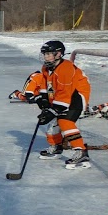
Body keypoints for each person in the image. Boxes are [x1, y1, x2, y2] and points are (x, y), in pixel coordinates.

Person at [35, 40, 92, 169]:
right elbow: (45, 84)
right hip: (61, 95)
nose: (46, 57)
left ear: (58, 54)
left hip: (76, 95)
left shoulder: (66, 68)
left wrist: (53, 110)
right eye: (45, 54)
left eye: (49, 54)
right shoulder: (46, 67)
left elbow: (65, 93)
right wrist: (44, 100)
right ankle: (56, 147)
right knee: (53, 123)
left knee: (64, 121)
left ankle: (81, 152)